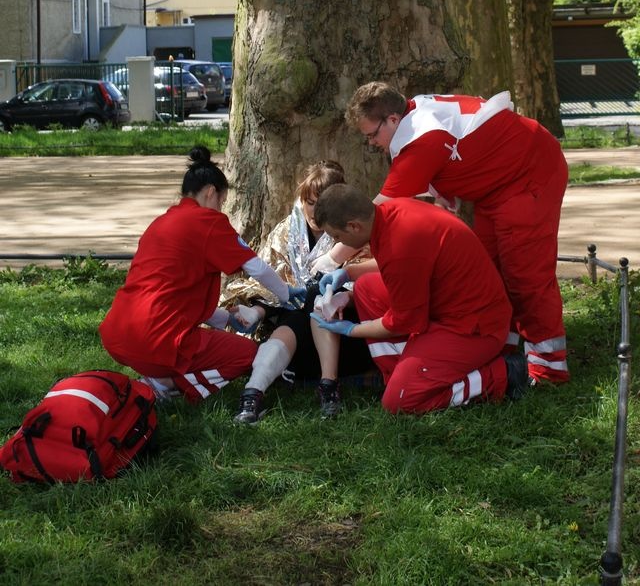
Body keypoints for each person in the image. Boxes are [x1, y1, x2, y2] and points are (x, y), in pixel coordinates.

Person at [316, 83, 569, 386]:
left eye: (372, 134)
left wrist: (328, 261)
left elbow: (372, 216)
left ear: (393, 120)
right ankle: (503, 348)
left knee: (525, 274)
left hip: (528, 174)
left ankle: (548, 369)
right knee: (491, 268)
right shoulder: (414, 117)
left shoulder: (422, 140)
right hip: (497, 186)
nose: (371, 143)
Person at [99, 146, 305, 404]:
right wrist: (286, 293)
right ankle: (166, 384)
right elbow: (257, 268)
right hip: (158, 340)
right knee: (246, 355)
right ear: (210, 193)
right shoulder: (209, 222)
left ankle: (158, 377)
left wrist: (226, 319)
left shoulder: (160, 223)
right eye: (221, 201)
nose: (221, 209)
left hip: (119, 335)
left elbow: (175, 292)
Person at [311, 184, 529, 414]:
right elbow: (400, 264)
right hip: (457, 307)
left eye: (336, 236)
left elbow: (403, 322)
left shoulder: (399, 244)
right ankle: (405, 375)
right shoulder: (389, 212)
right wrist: (349, 275)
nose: (337, 242)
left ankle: (501, 374)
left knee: (399, 402)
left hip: (473, 327)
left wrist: (350, 330)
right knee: (365, 288)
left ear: (354, 226)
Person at [222, 161, 376, 425]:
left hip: (345, 336)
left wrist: (336, 292)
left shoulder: (354, 229)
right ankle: (258, 392)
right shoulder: (286, 230)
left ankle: (260, 389)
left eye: (322, 203)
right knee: (302, 309)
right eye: (310, 202)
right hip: (295, 341)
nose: (314, 212)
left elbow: (366, 286)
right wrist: (258, 308)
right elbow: (271, 282)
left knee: (317, 299)